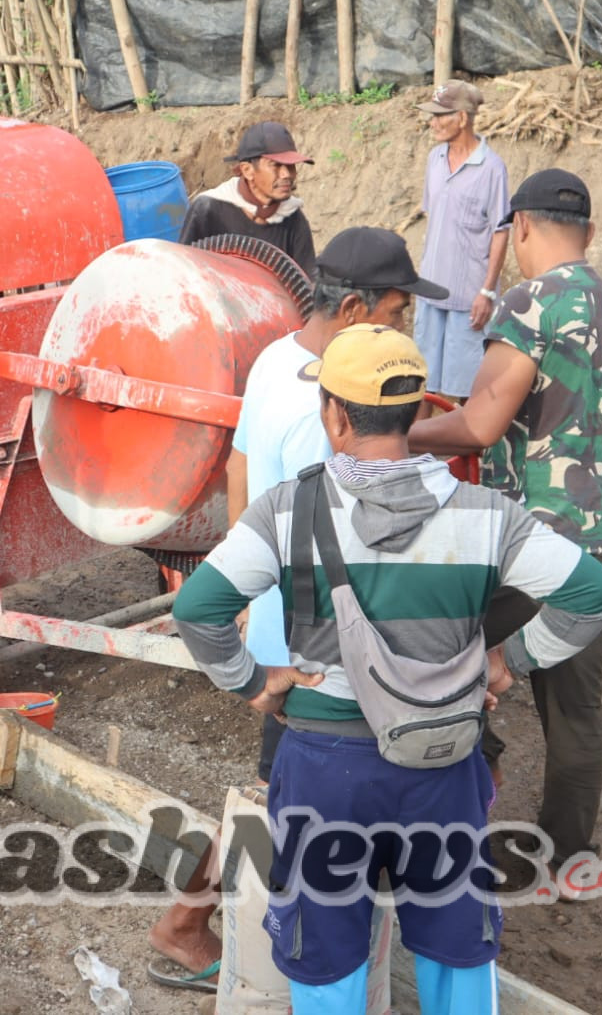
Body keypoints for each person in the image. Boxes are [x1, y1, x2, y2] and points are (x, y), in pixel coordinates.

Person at [174, 322, 602, 1014]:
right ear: (418, 411)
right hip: (442, 770)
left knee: (324, 951)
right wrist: (508, 660)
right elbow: (593, 593)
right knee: (455, 946)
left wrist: (254, 681)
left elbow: (200, 608)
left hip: (325, 770)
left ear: (332, 414)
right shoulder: (485, 516)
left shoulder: (290, 510)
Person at [145, 227, 422, 993]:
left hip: (278, 623)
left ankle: (205, 925)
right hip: (311, 646)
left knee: (280, 789)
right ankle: (191, 927)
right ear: (357, 308)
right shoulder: (324, 413)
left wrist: (242, 578)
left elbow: (239, 463)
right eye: (396, 317)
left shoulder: (275, 356)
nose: (399, 334)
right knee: (279, 795)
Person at [409, 168, 602, 888]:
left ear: (523, 231)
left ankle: (454, 807)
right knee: (574, 706)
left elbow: (480, 424)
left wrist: (399, 433)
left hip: (541, 536)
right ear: (590, 235)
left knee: (441, 649)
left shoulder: (528, 301)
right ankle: (570, 859)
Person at [413, 80, 510, 399]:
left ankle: (468, 448)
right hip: (429, 293)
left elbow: (500, 231)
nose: (434, 122)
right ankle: (422, 447)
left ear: (463, 118)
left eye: (442, 115)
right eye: (433, 115)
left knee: (468, 388)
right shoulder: (435, 160)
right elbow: (434, 219)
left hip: (468, 300)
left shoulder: (492, 169)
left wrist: (487, 292)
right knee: (423, 382)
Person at [179, 121, 317, 277]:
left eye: (290, 166)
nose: (286, 174)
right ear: (248, 170)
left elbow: (306, 282)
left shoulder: (293, 217)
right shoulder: (209, 208)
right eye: (276, 165)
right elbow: (183, 272)